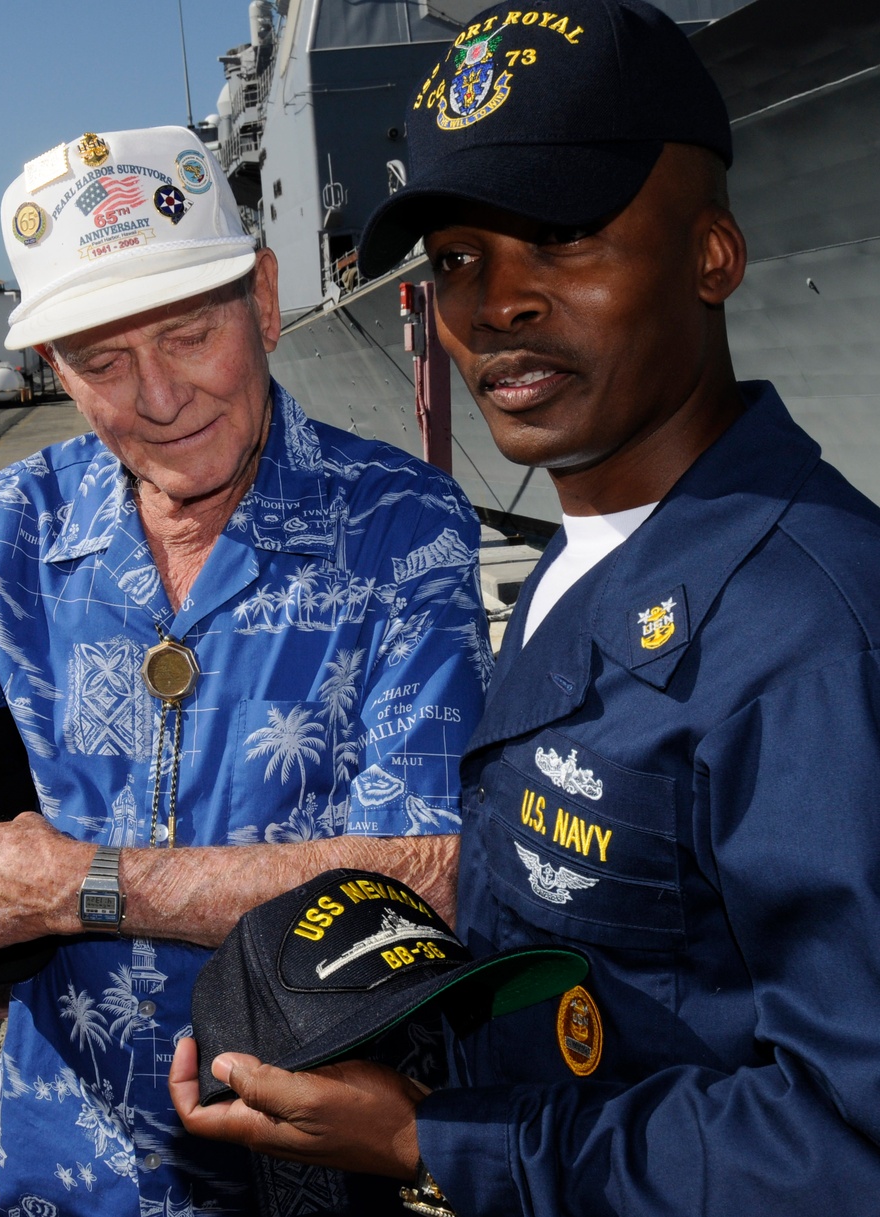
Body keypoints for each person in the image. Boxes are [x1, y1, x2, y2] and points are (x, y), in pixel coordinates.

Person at [169, 3, 880, 1214]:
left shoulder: (812, 642)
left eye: (560, 236)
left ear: (712, 254)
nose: (493, 303)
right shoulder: (581, 552)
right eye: (454, 259)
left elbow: (848, 1143)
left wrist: (439, 1140)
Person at [0, 126, 491, 1217]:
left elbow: (430, 865)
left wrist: (80, 885)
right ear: (51, 366)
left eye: (188, 332)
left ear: (261, 301)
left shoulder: (404, 529)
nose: (158, 397)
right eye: (102, 362)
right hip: (53, 1178)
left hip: (320, 1175)